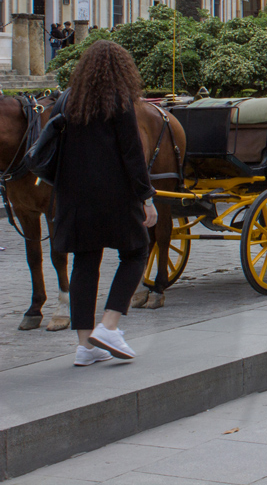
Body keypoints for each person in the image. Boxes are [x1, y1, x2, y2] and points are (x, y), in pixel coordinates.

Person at [48, 40, 157, 366]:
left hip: (74, 197)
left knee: (85, 262)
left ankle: (85, 345)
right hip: (114, 194)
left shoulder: (69, 103)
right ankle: (109, 325)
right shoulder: (120, 102)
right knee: (137, 250)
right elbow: (132, 155)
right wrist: (146, 197)